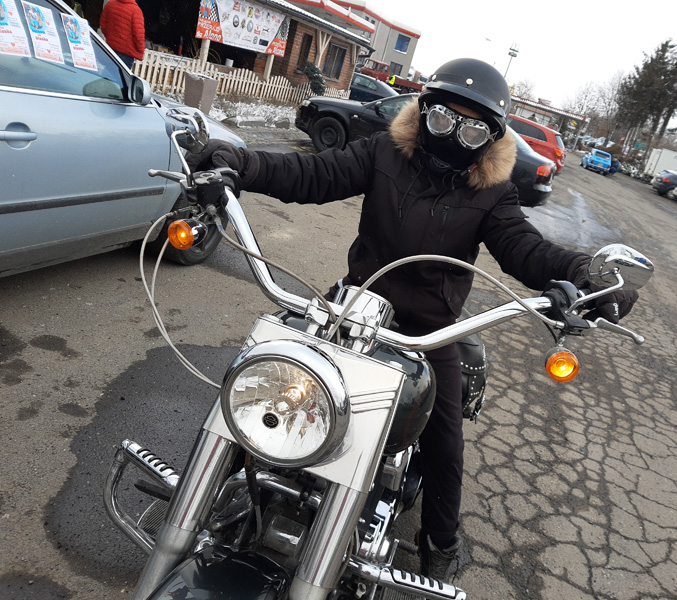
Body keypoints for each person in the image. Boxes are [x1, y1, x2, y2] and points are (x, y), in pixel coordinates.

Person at [188, 58, 639, 582]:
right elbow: (313, 173)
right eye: (443, 118)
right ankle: (220, 485)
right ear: (424, 112)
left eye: (472, 130)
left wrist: (584, 274)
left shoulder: (493, 192)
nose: (452, 135)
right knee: (264, 378)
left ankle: (439, 545)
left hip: (430, 330)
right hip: (353, 306)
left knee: (444, 439)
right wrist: (239, 162)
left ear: (491, 138)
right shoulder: (383, 151)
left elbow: (525, 248)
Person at [99, 0, 145, 69]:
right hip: (126, 53)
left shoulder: (110, 4)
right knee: (121, 75)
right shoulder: (136, 10)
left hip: (110, 48)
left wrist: (110, 37)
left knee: (108, 73)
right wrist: (140, 50)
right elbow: (138, 35)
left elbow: (103, 25)